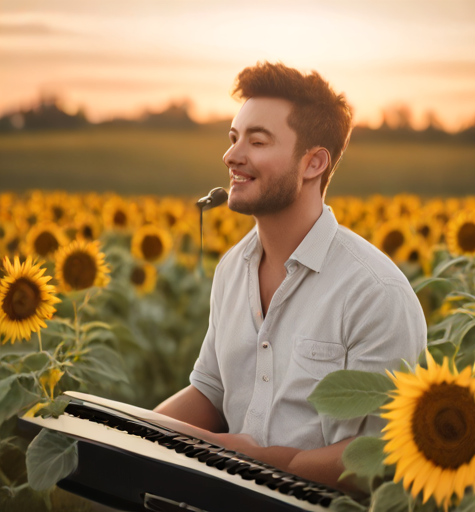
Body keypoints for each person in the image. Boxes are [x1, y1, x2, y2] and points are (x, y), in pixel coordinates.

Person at [154, 61, 427, 491]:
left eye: (257, 141)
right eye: (233, 138)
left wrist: (251, 459)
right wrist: (126, 430)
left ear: (313, 163)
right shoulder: (231, 269)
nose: (231, 156)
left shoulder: (375, 293)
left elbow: (378, 455)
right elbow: (210, 391)